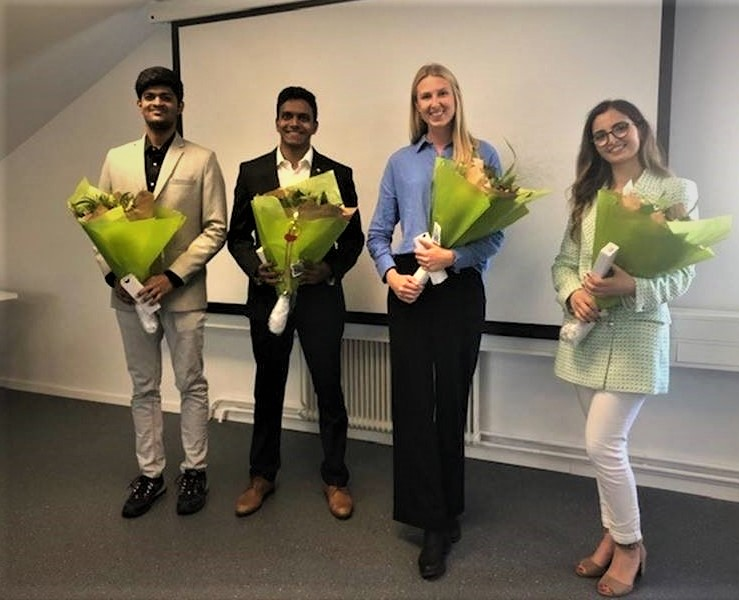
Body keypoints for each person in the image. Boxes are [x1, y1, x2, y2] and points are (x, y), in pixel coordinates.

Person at [551, 99, 695, 597]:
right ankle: (612, 534)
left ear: (640, 129)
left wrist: (634, 287)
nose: (611, 140)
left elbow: (684, 271)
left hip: (637, 334)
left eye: (620, 128)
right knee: (604, 451)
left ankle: (631, 545)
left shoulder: (673, 190)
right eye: (600, 135)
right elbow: (565, 262)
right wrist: (572, 292)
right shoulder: (587, 194)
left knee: (603, 445)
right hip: (587, 335)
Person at [366, 63, 505, 580]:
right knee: (412, 402)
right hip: (409, 287)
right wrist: (388, 276)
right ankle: (429, 521)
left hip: (459, 286)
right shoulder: (401, 161)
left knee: (450, 400)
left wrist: (455, 258)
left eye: (441, 92)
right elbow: (378, 233)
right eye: (424, 95)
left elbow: (493, 236)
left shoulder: (482, 156)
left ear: (455, 97)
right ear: (416, 104)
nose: (433, 102)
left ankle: (447, 512)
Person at [227, 86, 364, 520]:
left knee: (328, 387)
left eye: (303, 117)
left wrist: (331, 269)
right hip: (268, 294)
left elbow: (354, 238)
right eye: (287, 116)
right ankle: (261, 476)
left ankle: (336, 478)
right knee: (268, 385)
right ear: (277, 121)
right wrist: (255, 268)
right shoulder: (252, 171)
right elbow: (237, 236)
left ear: (315, 125)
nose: (294, 123)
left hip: (320, 297)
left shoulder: (337, 174)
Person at [97, 66, 228, 518]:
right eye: (150, 96)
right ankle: (151, 474)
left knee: (191, 383)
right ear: (139, 104)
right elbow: (99, 225)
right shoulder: (116, 159)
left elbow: (216, 228)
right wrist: (116, 277)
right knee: (143, 388)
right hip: (130, 296)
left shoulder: (202, 159)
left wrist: (172, 276)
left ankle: (195, 469)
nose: (158, 103)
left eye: (166, 97)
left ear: (180, 105)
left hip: (182, 293)